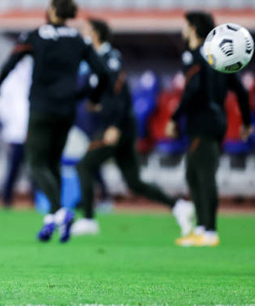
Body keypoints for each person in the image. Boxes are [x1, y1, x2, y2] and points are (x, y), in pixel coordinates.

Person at [0, 0, 107, 243]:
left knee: (35, 162)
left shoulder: (36, 35)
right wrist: (90, 97)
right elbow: (102, 72)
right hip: (67, 110)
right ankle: (52, 220)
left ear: (53, 9)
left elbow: (11, 62)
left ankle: (58, 212)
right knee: (53, 162)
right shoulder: (79, 40)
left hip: (42, 109)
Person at [72, 18, 195, 237]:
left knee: (84, 165)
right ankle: (178, 206)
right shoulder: (96, 60)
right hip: (119, 127)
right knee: (134, 182)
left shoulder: (110, 59)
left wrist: (115, 126)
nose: (82, 35)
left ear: (96, 34)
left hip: (117, 127)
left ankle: (89, 219)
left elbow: (122, 95)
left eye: (86, 31)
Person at [166, 11, 252, 247]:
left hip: (202, 122)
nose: (182, 28)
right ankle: (203, 228)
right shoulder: (219, 56)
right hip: (214, 121)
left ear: (193, 28)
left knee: (203, 177)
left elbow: (192, 90)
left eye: (185, 24)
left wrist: (174, 117)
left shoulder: (195, 56)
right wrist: (246, 122)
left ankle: (210, 231)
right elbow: (241, 91)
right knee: (195, 174)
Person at [0, 56, 33, 207]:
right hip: (15, 131)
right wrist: (9, 121)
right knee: (14, 168)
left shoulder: (33, 75)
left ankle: (37, 201)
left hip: (31, 131)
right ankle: (7, 199)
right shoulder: (10, 79)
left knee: (34, 169)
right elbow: (0, 103)